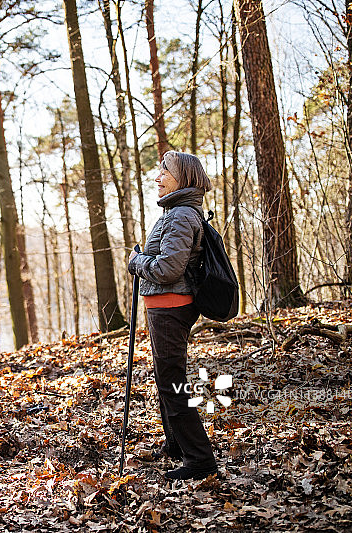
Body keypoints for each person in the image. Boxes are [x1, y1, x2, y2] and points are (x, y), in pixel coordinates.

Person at [127, 151, 218, 481]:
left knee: (173, 384)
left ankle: (200, 459)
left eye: (165, 170)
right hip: (164, 306)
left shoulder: (180, 215)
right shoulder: (177, 212)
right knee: (167, 380)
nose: (158, 176)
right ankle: (177, 444)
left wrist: (137, 263)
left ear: (184, 178)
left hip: (171, 306)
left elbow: (167, 269)